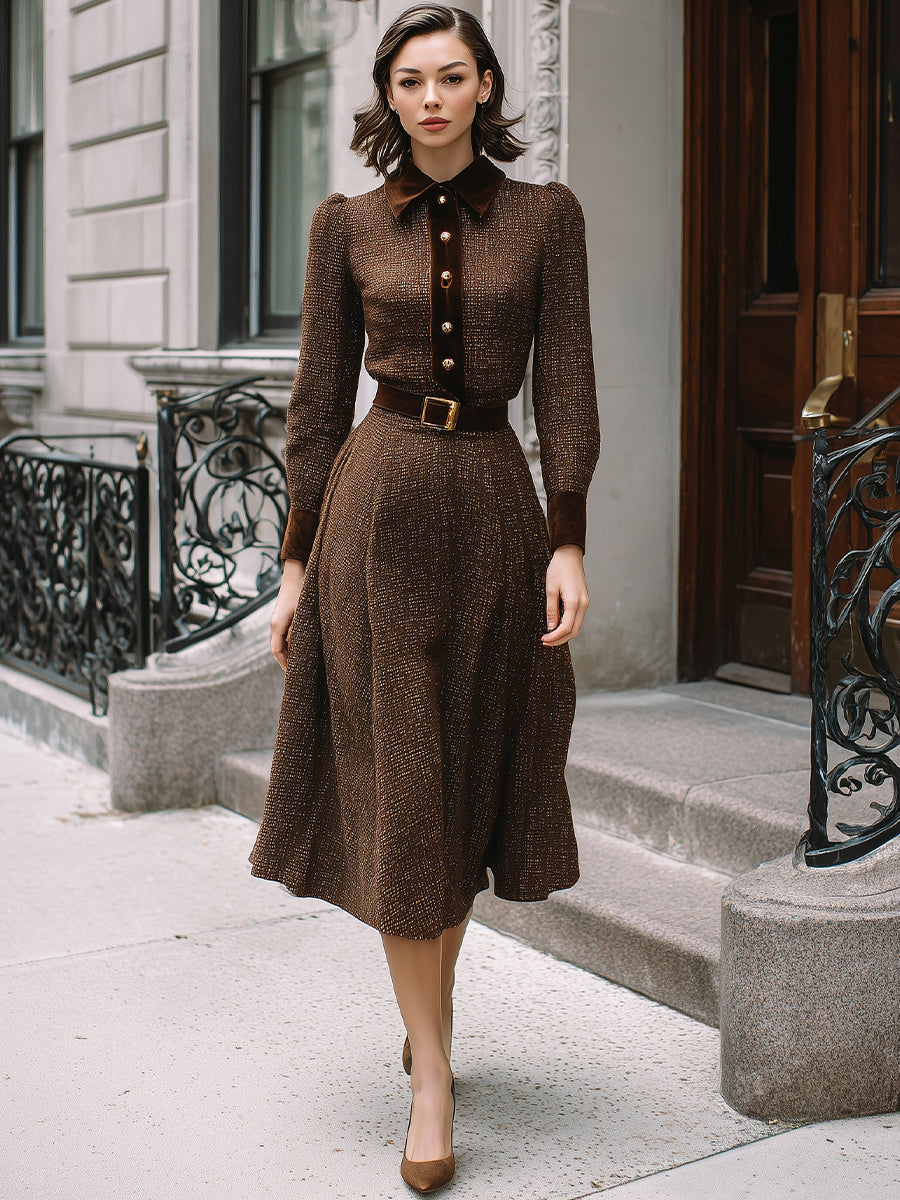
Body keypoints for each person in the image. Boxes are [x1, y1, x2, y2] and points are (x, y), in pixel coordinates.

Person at [248, 4, 600, 1192]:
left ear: (489, 85)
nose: (434, 96)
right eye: (412, 79)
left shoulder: (547, 218)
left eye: (454, 75)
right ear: (390, 98)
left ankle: (428, 1025)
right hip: (376, 515)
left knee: (462, 781)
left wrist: (569, 539)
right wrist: (294, 562)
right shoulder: (345, 225)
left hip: (499, 514)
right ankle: (434, 1077)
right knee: (406, 784)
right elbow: (312, 401)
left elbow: (570, 388)